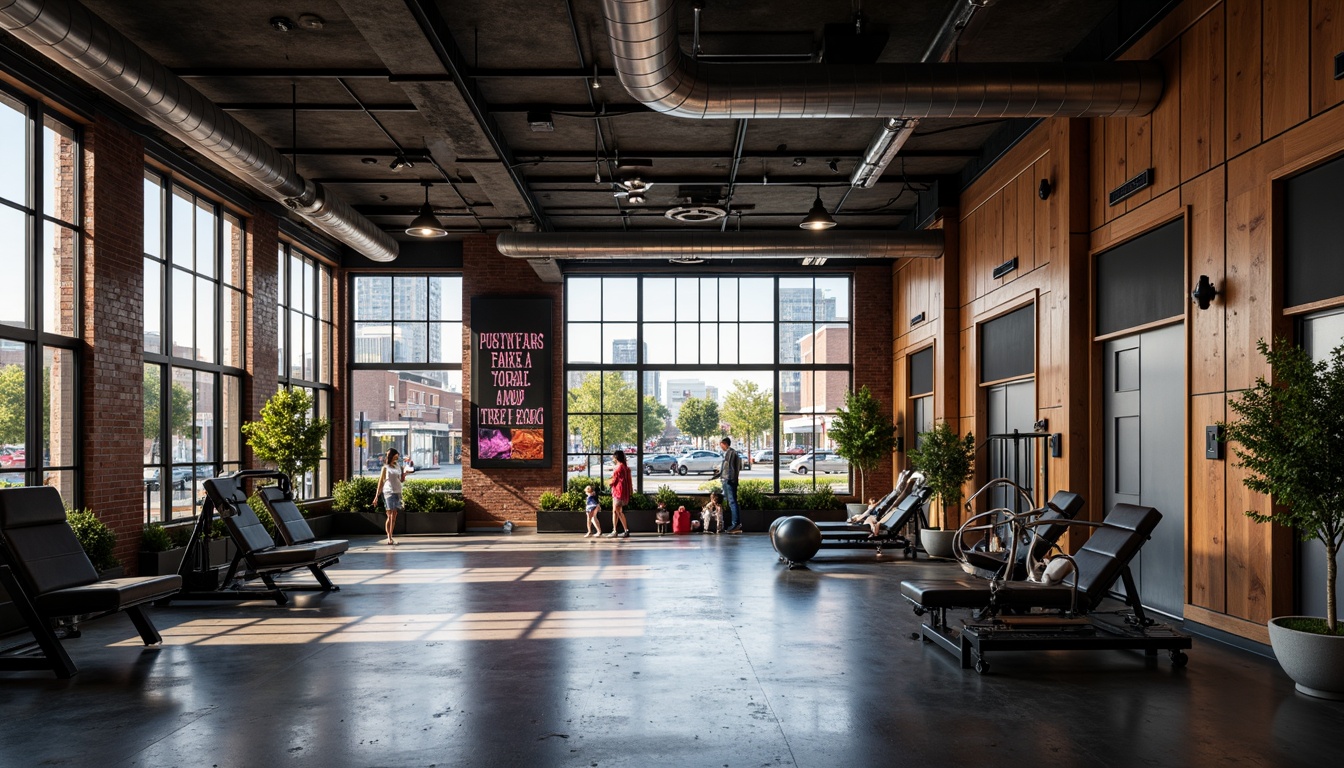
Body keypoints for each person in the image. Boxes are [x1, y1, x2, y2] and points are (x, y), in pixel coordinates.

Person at [371, 448, 406, 545]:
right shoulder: (385, 468)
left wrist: (404, 476)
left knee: (394, 515)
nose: (397, 458)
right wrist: (376, 496)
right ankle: (389, 537)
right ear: (391, 456)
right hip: (388, 492)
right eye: (395, 456)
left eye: (397, 456)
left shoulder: (398, 466)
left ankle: (391, 536)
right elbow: (380, 483)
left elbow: (400, 480)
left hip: (398, 491)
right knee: (390, 515)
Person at [715, 437, 743, 533]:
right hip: (731, 480)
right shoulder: (734, 453)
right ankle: (736, 524)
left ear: (724, 443)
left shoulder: (729, 453)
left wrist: (727, 478)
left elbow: (728, 468)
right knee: (733, 501)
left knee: (732, 502)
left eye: (721, 444)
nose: (720, 447)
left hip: (728, 480)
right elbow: (738, 467)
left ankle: (735, 524)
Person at [606, 449, 632, 538]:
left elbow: (615, 480)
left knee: (617, 511)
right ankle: (617, 530)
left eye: (614, 457)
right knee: (616, 511)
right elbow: (628, 481)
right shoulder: (625, 467)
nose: (613, 458)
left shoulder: (618, 467)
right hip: (622, 492)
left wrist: (608, 482)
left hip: (618, 492)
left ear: (616, 457)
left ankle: (622, 530)